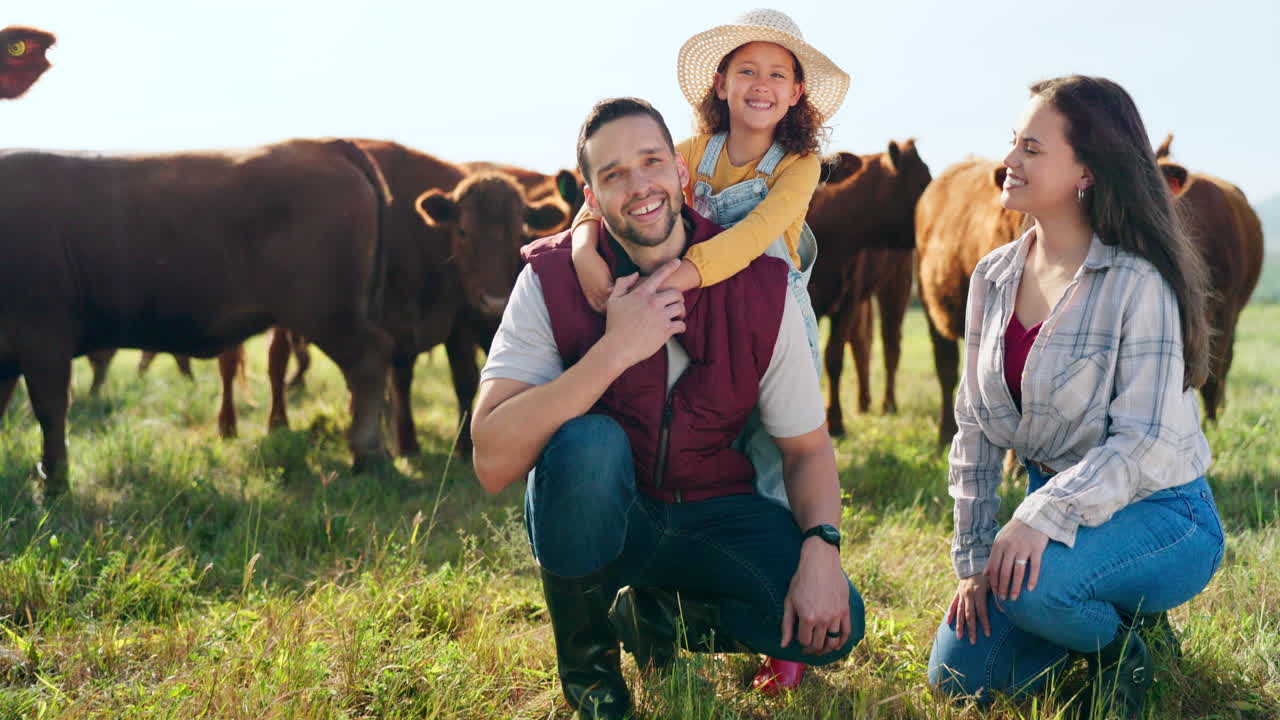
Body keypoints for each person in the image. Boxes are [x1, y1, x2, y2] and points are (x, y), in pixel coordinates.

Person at [470, 97, 863, 720]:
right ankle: (591, 670)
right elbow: (491, 458)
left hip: (714, 512)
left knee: (836, 627)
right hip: (611, 516)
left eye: (652, 162)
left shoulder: (762, 286)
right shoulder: (549, 279)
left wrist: (823, 546)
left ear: (681, 173)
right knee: (586, 445)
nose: (639, 186)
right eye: (614, 174)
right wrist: (613, 352)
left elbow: (807, 448)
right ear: (590, 197)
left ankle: (658, 614)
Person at [568, 8, 850, 691]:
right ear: (720, 84)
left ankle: (783, 623)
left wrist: (684, 273)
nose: (761, 84)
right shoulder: (693, 153)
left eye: (778, 74)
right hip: (688, 316)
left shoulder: (800, 165)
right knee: (689, 447)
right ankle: (663, 593)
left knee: (772, 455)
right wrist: (582, 249)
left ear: (796, 93)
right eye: (746, 70)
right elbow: (606, 200)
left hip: (768, 314)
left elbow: (758, 236)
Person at [926, 75, 1225, 719]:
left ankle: (1124, 647)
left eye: (1032, 148)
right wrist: (976, 562)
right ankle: (1093, 619)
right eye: (1013, 143)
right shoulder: (993, 277)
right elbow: (975, 427)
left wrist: (1039, 516)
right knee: (958, 673)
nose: (1008, 161)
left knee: (1037, 593)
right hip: (1058, 523)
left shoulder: (1137, 284)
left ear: (1085, 171)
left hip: (1163, 514)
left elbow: (1140, 442)